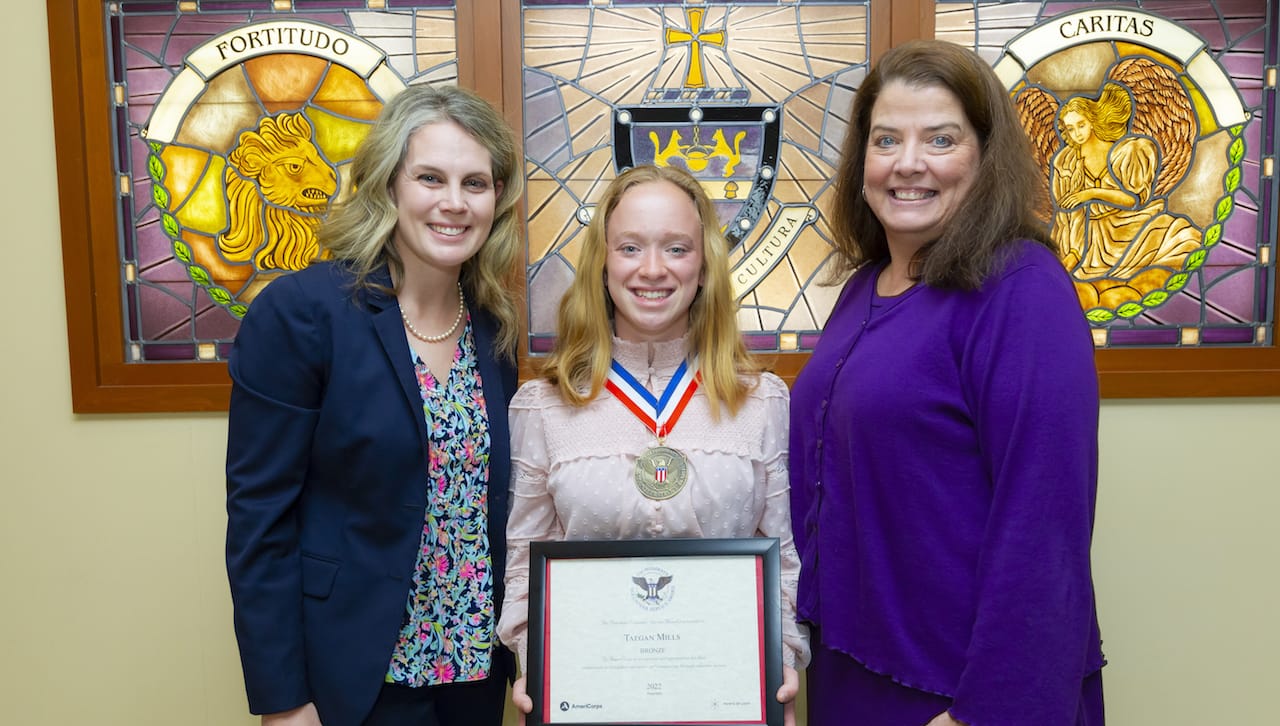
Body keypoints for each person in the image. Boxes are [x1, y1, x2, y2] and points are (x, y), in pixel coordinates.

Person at [790, 40, 1105, 725]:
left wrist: (986, 711)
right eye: (886, 140)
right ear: (861, 161)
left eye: (940, 139)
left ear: (985, 156)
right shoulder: (863, 288)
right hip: (857, 669)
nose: (908, 163)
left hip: (965, 692)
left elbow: (1043, 522)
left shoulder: (1021, 290)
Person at [225, 84, 523, 726]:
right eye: (430, 178)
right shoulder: (303, 314)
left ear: (497, 199)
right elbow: (259, 520)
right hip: (355, 679)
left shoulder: (494, 329)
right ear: (388, 185)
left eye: (476, 183)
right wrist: (282, 702)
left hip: (474, 674)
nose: (454, 203)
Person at [496, 164, 809, 724]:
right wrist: (535, 664)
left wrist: (776, 667)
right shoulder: (544, 406)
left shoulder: (760, 400)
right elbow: (525, 561)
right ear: (604, 264)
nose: (653, 269)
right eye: (631, 247)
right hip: (590, 704)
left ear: (705, 266)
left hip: (724, 706)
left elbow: (783, 559)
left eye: (677, 248)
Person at [1051, 82, 1201, 309]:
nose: (1076, 133)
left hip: (1129, 228)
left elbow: (1133, 199)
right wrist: (1071, 252)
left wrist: (1091, 193)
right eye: (1070, 128)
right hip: (1088, 238)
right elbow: (1068, 215)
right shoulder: (1067, 160)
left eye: (1081, 125)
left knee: (1179, 239)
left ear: (1092, 121)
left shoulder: (1129, 150)